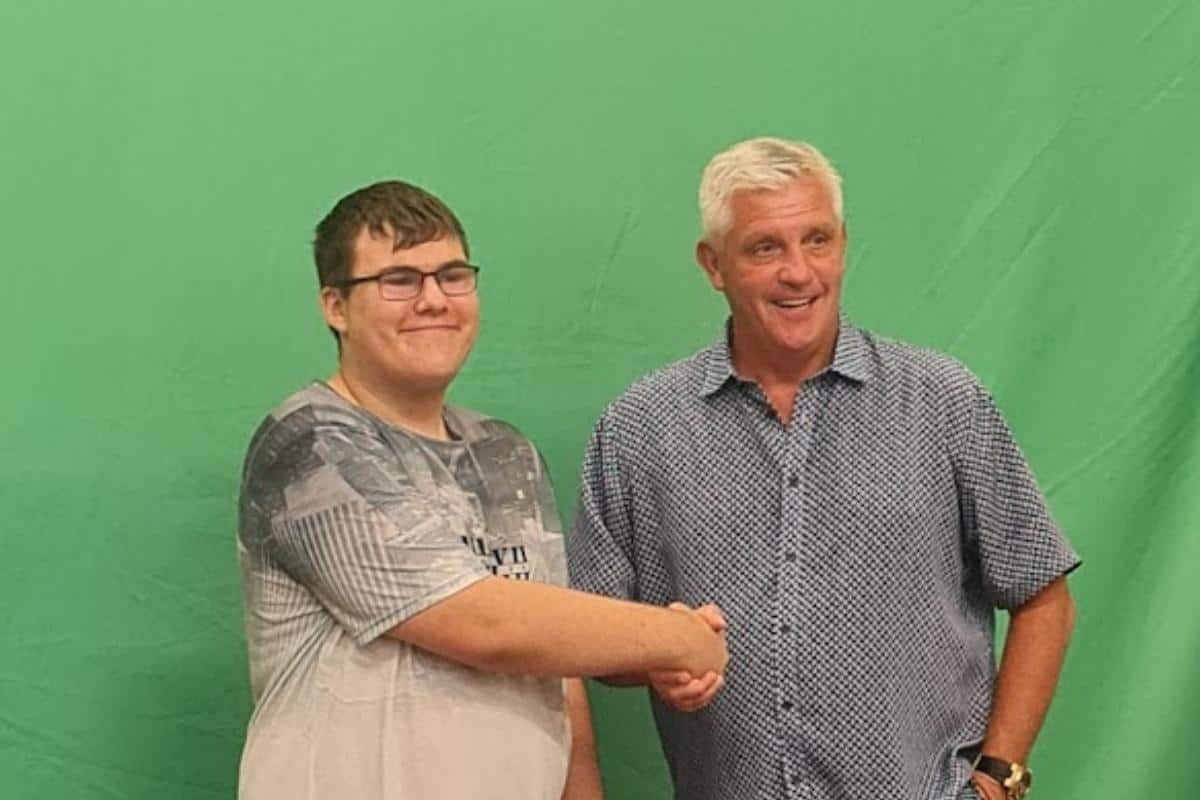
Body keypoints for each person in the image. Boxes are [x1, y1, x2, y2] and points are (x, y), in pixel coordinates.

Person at [567, 138, 1079, 800]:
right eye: (764, 248)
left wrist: (1001, 776)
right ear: (712, 264)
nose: (799, 272)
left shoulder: (943, 401)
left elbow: (1043, 596)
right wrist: (656, 657)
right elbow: (594, 639)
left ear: (843, 245)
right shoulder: (638, 429)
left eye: (817, 240)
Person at [235, 180, 728, 800]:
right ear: (335, 306)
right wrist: (676, 638)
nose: (433, 299)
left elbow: (553, 660)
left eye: (452, 275)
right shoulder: (308, 444)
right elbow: (486, 626)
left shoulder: (507, 455)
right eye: (399, 280)